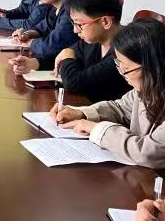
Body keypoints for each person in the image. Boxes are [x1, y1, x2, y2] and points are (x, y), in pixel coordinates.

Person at [51, 19, 165, 168]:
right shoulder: (147, 87)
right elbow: (121, 108)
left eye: (126, 69)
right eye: (119, 66)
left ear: (154, 66)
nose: (123, 74)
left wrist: (97, 130)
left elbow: (146, 152)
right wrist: (82, 114)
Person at [8, 0, 131, 102]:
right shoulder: (96, 39)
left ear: (105, 22)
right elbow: (68, 55)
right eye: (73, 23)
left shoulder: (126, 51)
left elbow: (74, 82)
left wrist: (68, 55)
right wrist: (33, 63)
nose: (75, 30)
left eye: (79, 24)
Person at [11, 0, 77, 59]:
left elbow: (51, 46)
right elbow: (42, 27)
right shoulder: (54, 6)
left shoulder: (72, 8)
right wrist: (27, 34)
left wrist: (30, 42)